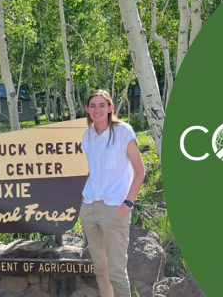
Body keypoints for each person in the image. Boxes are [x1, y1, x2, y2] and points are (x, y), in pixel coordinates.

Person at [80, 89, 145, 297]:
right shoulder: (87, 135)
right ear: (87, 110)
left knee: (116, 271)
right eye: (93, 106)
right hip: (90, 206)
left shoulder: (124, 132)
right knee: (100, 268)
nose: (97, 110)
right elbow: (92, 170)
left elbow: (140, 171)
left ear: (110, 108)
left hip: (114, 207)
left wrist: (127, 204)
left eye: (102, 105)